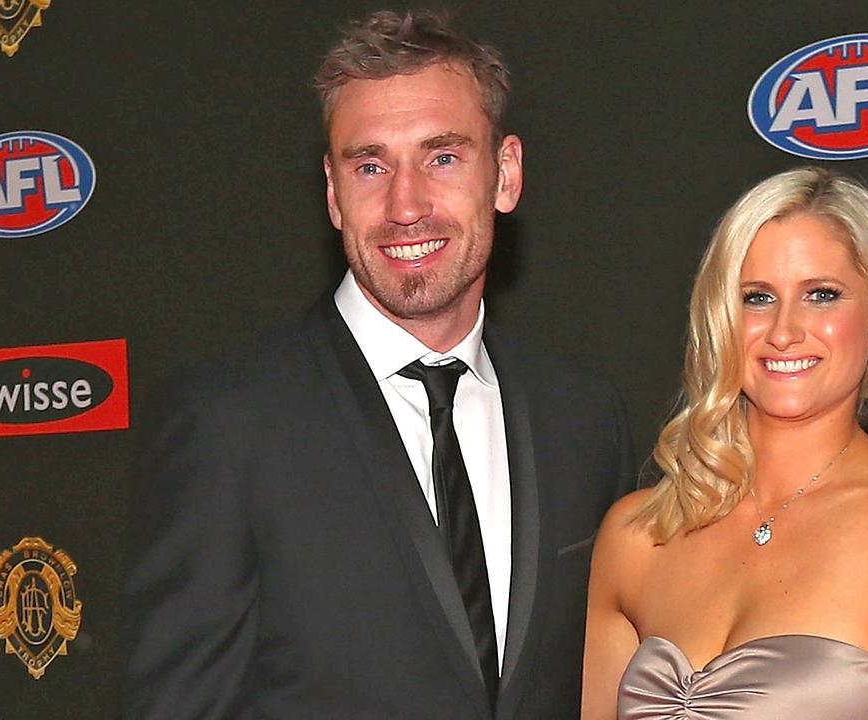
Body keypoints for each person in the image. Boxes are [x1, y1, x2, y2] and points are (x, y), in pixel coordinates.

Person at [123, 9, 634, 719]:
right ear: (334, 195)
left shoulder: (582, 417)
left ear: (507, 174)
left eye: (443, 157)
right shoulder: (227, 422)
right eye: (370, 166)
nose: (405, 204)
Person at [581, 167, 868, 720]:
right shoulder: (638, 536)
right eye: (757, 297)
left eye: (821, 294)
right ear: (720, 318)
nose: (784, 331)